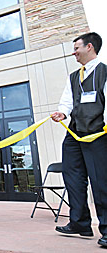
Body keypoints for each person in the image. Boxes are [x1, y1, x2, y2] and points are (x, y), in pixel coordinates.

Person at [51, 32, 107, 247]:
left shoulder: (104, 72)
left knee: (101, 181)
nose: (73, 52)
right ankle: (80, 222)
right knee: (72, 177)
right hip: (75, 133)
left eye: (76, 48)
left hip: (97, 133)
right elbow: (67, 101)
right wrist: (62, 113)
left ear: (89, 47)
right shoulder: (74, 76)